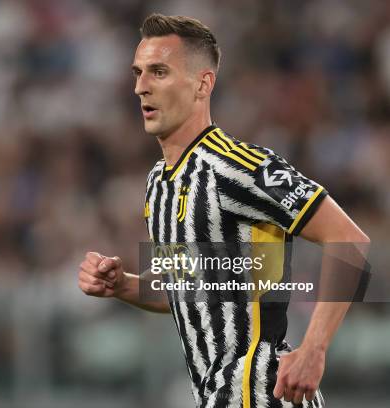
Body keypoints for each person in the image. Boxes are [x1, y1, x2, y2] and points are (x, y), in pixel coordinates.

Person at [77, 13, 370, 408]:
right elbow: (193, 287)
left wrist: (314, 349)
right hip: (216, 395)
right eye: (138, 73)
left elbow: (349, 239)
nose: (141, 88)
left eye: (159, 72)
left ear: (203, 83)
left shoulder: (240, 166)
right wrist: (124, 285)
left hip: (262, 391)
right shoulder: (159, 183)